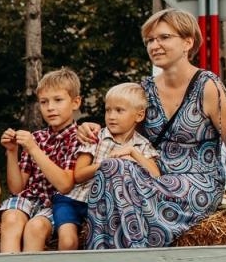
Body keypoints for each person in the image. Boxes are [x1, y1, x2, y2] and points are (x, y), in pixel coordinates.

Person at [84, 9, 226, 249]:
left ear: (188, 42)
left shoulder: (208, 88)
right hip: (155, 179)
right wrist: (90, 128)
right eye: (150, 40)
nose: (154, 45)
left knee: (125, 175)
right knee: (112, 167)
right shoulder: (144, 90)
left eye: (164, 37)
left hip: (196, 183)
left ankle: (136, 256)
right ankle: (109, 257)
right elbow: (121, 128)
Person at [55, 82, 160, 251]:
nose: (111, 116)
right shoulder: (95, 137)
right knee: (68, 241)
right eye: (108, 110)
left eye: (119, 111)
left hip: (105, 206)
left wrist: (133, 153)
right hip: (74, 201)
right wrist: (107, 165)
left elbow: (156, 176)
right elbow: (79, 175)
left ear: (139, 116)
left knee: (115, 236)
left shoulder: (142, 145)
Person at [0, 68, 83, 252]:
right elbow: (17, 188)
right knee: (11, 219)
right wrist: (12, 153)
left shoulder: (79, 139)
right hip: (30, 199)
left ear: (75, 102)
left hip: (57, 203)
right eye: (44, 102)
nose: (50, 107)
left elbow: (65, 185)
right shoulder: (37, 137)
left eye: (58, 100)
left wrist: (34, 149)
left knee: (35, 228)